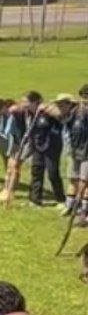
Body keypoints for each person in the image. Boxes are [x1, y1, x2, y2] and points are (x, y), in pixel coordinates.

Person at [23, 91, 70, 208]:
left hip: (52, 146)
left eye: (27, 102)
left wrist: (50, 109)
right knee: (36, 171)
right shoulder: (29, 114)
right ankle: (35, 200)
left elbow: (62, 118)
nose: (24, 104)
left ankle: (60, 199)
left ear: (35, 102)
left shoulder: (48, 111)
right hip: (37, 146)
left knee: (52, 172)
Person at [61, 84, 88, 222]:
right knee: (73, 178)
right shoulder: (76, 111)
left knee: (85, 181)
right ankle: (71, 206)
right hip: (75, 150)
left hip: (86, 153)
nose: (85, 100)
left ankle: (84, 211)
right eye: (83, 96)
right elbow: (65, 122)